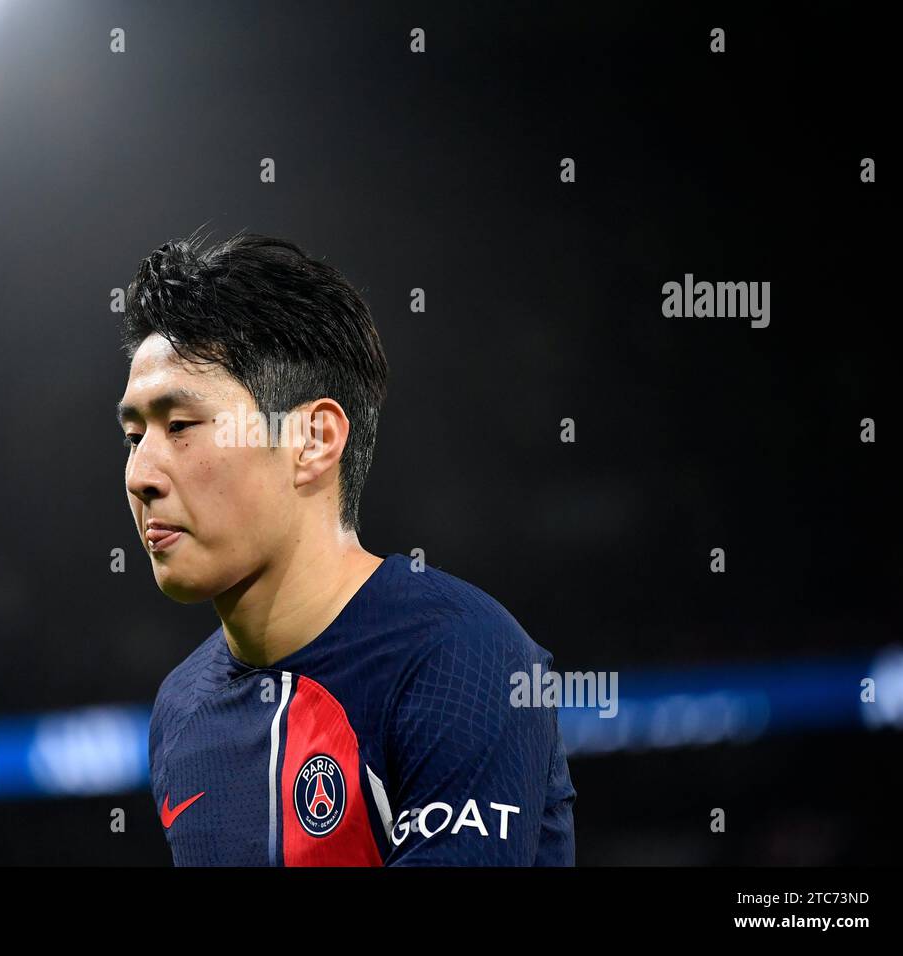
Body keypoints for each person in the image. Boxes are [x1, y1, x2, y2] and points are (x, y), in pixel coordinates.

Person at [116, 228, 575, 865]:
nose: (140, 473)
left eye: (182, 426)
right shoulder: (180, 710)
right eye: (134, 435)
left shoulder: (461, 655)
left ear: (313, 441)